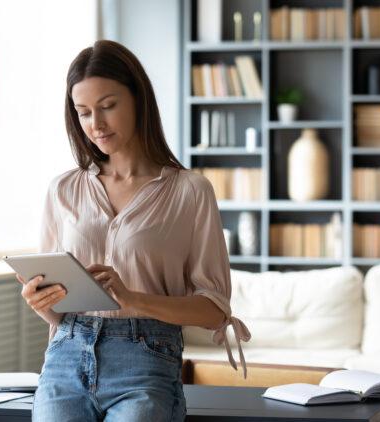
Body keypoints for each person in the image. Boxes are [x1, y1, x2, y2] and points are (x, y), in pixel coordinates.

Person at [15, 40, 250, 422]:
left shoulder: (189, 191)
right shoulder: (63, 189)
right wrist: (42, 301)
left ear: (138, 99)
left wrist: (132, 298)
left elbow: (214, 310)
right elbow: (58, 305)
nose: (96, 124)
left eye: (108, 106)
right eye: (84, 112)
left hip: (147, 357)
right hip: (67, 355)